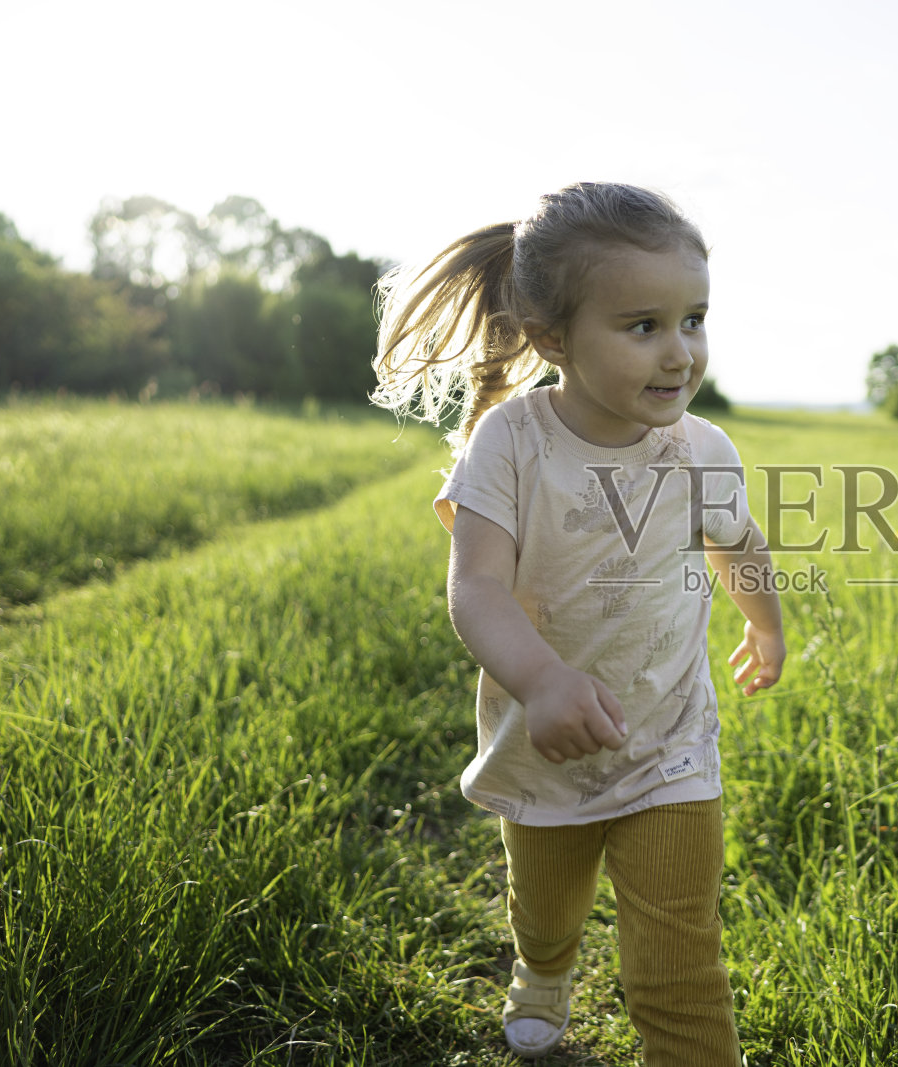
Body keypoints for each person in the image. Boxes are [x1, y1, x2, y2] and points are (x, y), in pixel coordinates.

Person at [370, 182, 785, 1064]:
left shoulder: (702, 448)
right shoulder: (511, 442)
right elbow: (475, 588)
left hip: (671, 745)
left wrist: (767, 623)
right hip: (542, 736)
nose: (680, 353)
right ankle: (544, 970)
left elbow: (737, 542)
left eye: (694, 319)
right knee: (549, 909)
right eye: (643, 326)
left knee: (681, 958)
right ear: (554, 338)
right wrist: (545, 680)